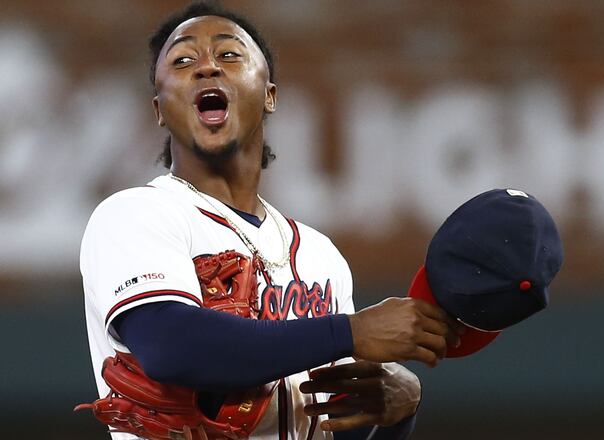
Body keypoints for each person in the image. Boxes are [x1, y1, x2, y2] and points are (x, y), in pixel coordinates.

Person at [79, 2, 461, 439]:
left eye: (229, 55)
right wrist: (350, 332)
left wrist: (396, 412)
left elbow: (341, 424)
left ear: (269, 95)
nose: (206, 68)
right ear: (160, 110)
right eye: (183, 60)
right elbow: (170, 347)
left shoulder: (321, 256)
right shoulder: (136, 214)